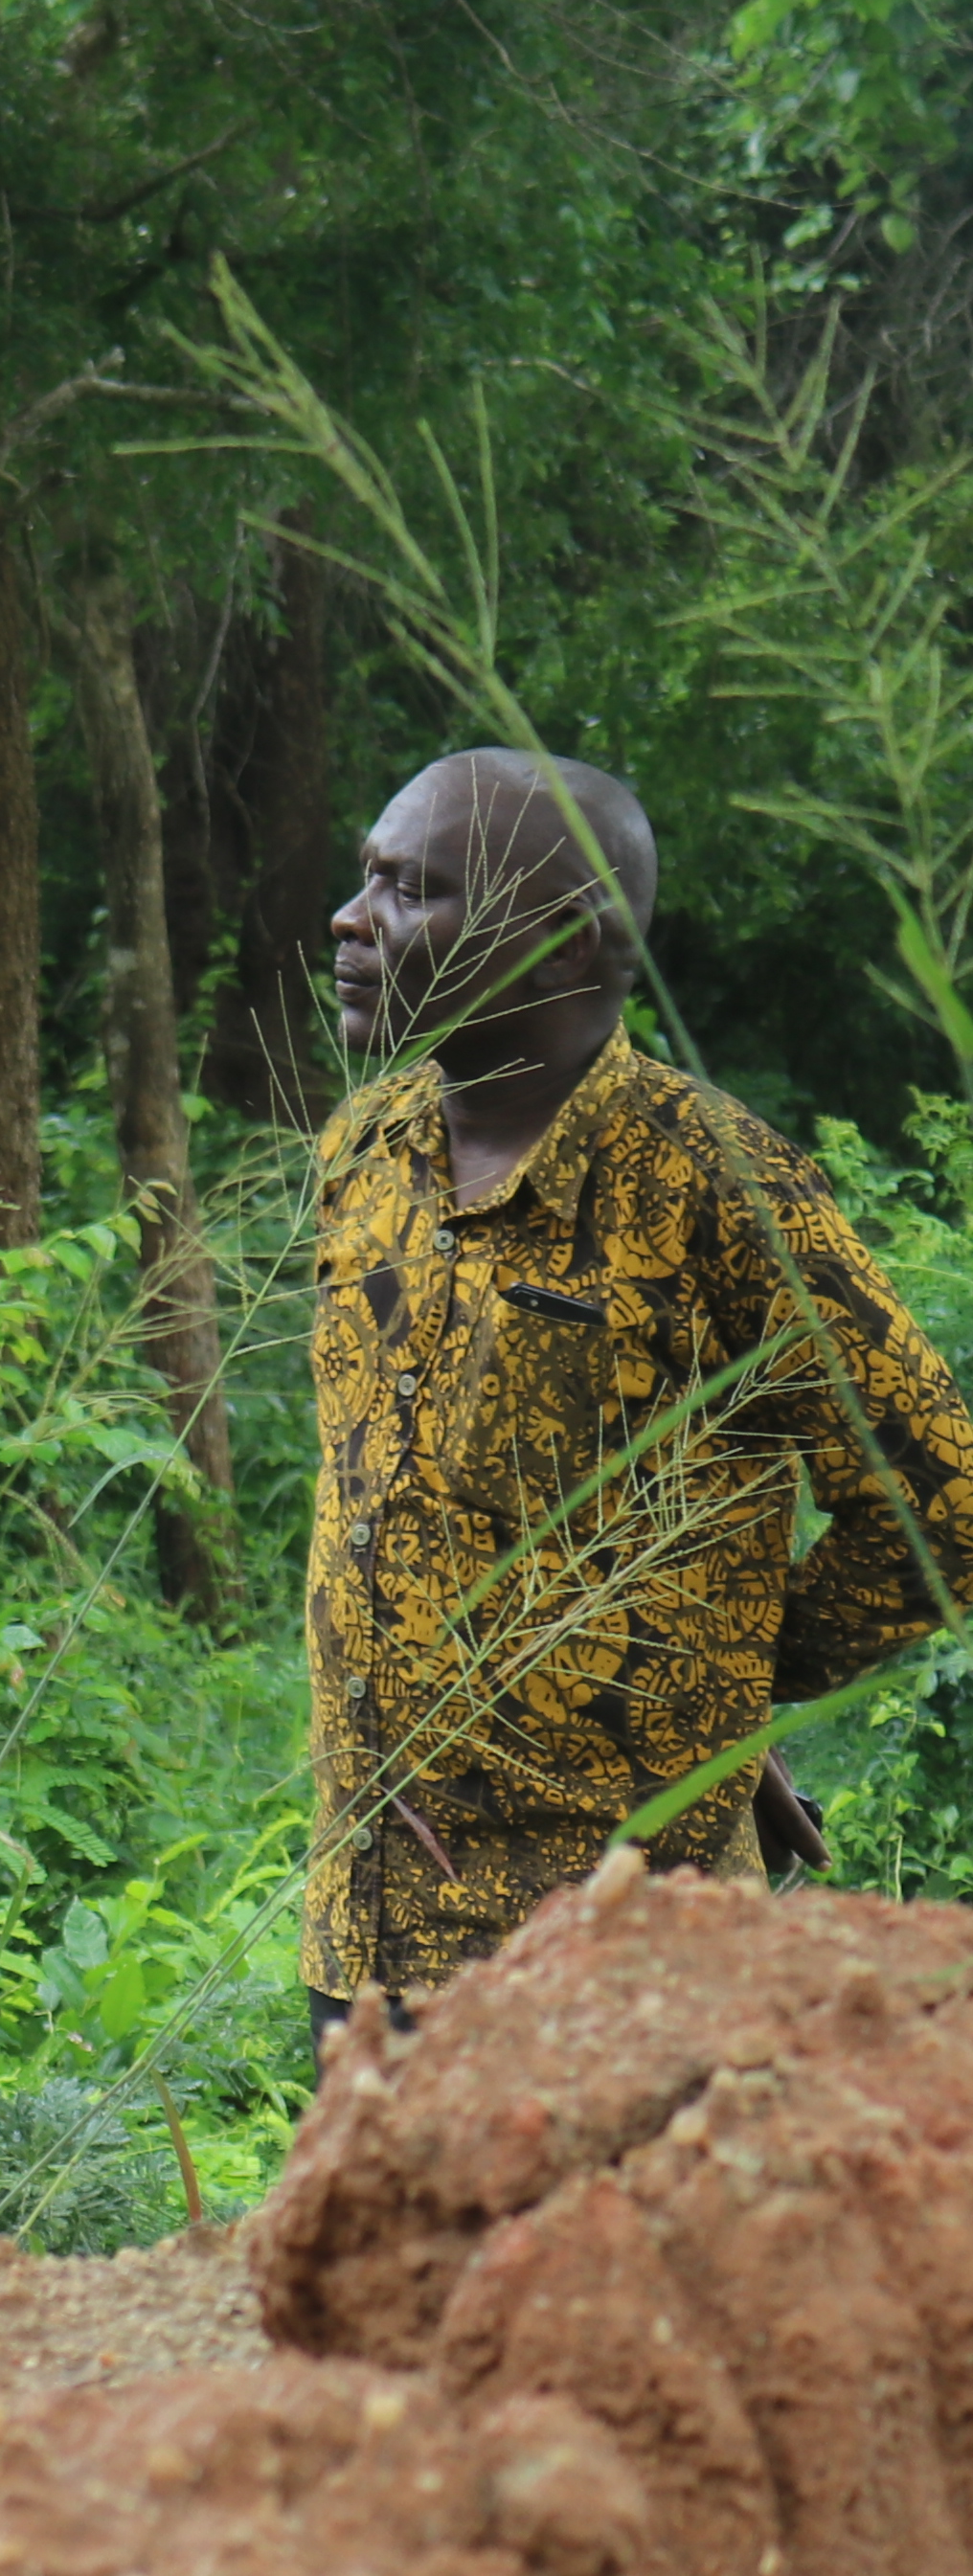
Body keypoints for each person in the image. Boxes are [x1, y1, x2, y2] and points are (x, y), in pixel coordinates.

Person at [305, 748, 973, 2043]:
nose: (351, 919)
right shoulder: (365, 1149)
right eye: (365, 878)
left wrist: (725, 1686)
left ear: (562, 948)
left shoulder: (714, 1190)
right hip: (367, 1937)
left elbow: (943, 1502)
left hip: (611, 1967)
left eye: (411, 889)